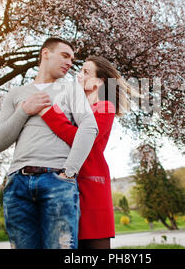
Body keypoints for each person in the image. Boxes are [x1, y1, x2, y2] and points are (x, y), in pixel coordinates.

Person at [0, 37, 99, 249]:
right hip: (17, 184)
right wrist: (24, 110)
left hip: (57, 181)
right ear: (45, 54)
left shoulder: (70, 89)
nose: (69, 62)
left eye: (72, 59)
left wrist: (70, 171)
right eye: (65, 56)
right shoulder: (16, 94)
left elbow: (90, 127)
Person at [38, 56, 136, 249]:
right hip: (66, 184)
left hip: (91, 188)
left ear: (99, 82)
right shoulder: (75, 107)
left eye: (85, 72)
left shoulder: (105, 107)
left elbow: (80, 138)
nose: (78, 75)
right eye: (80, 70)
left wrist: (47, 113)